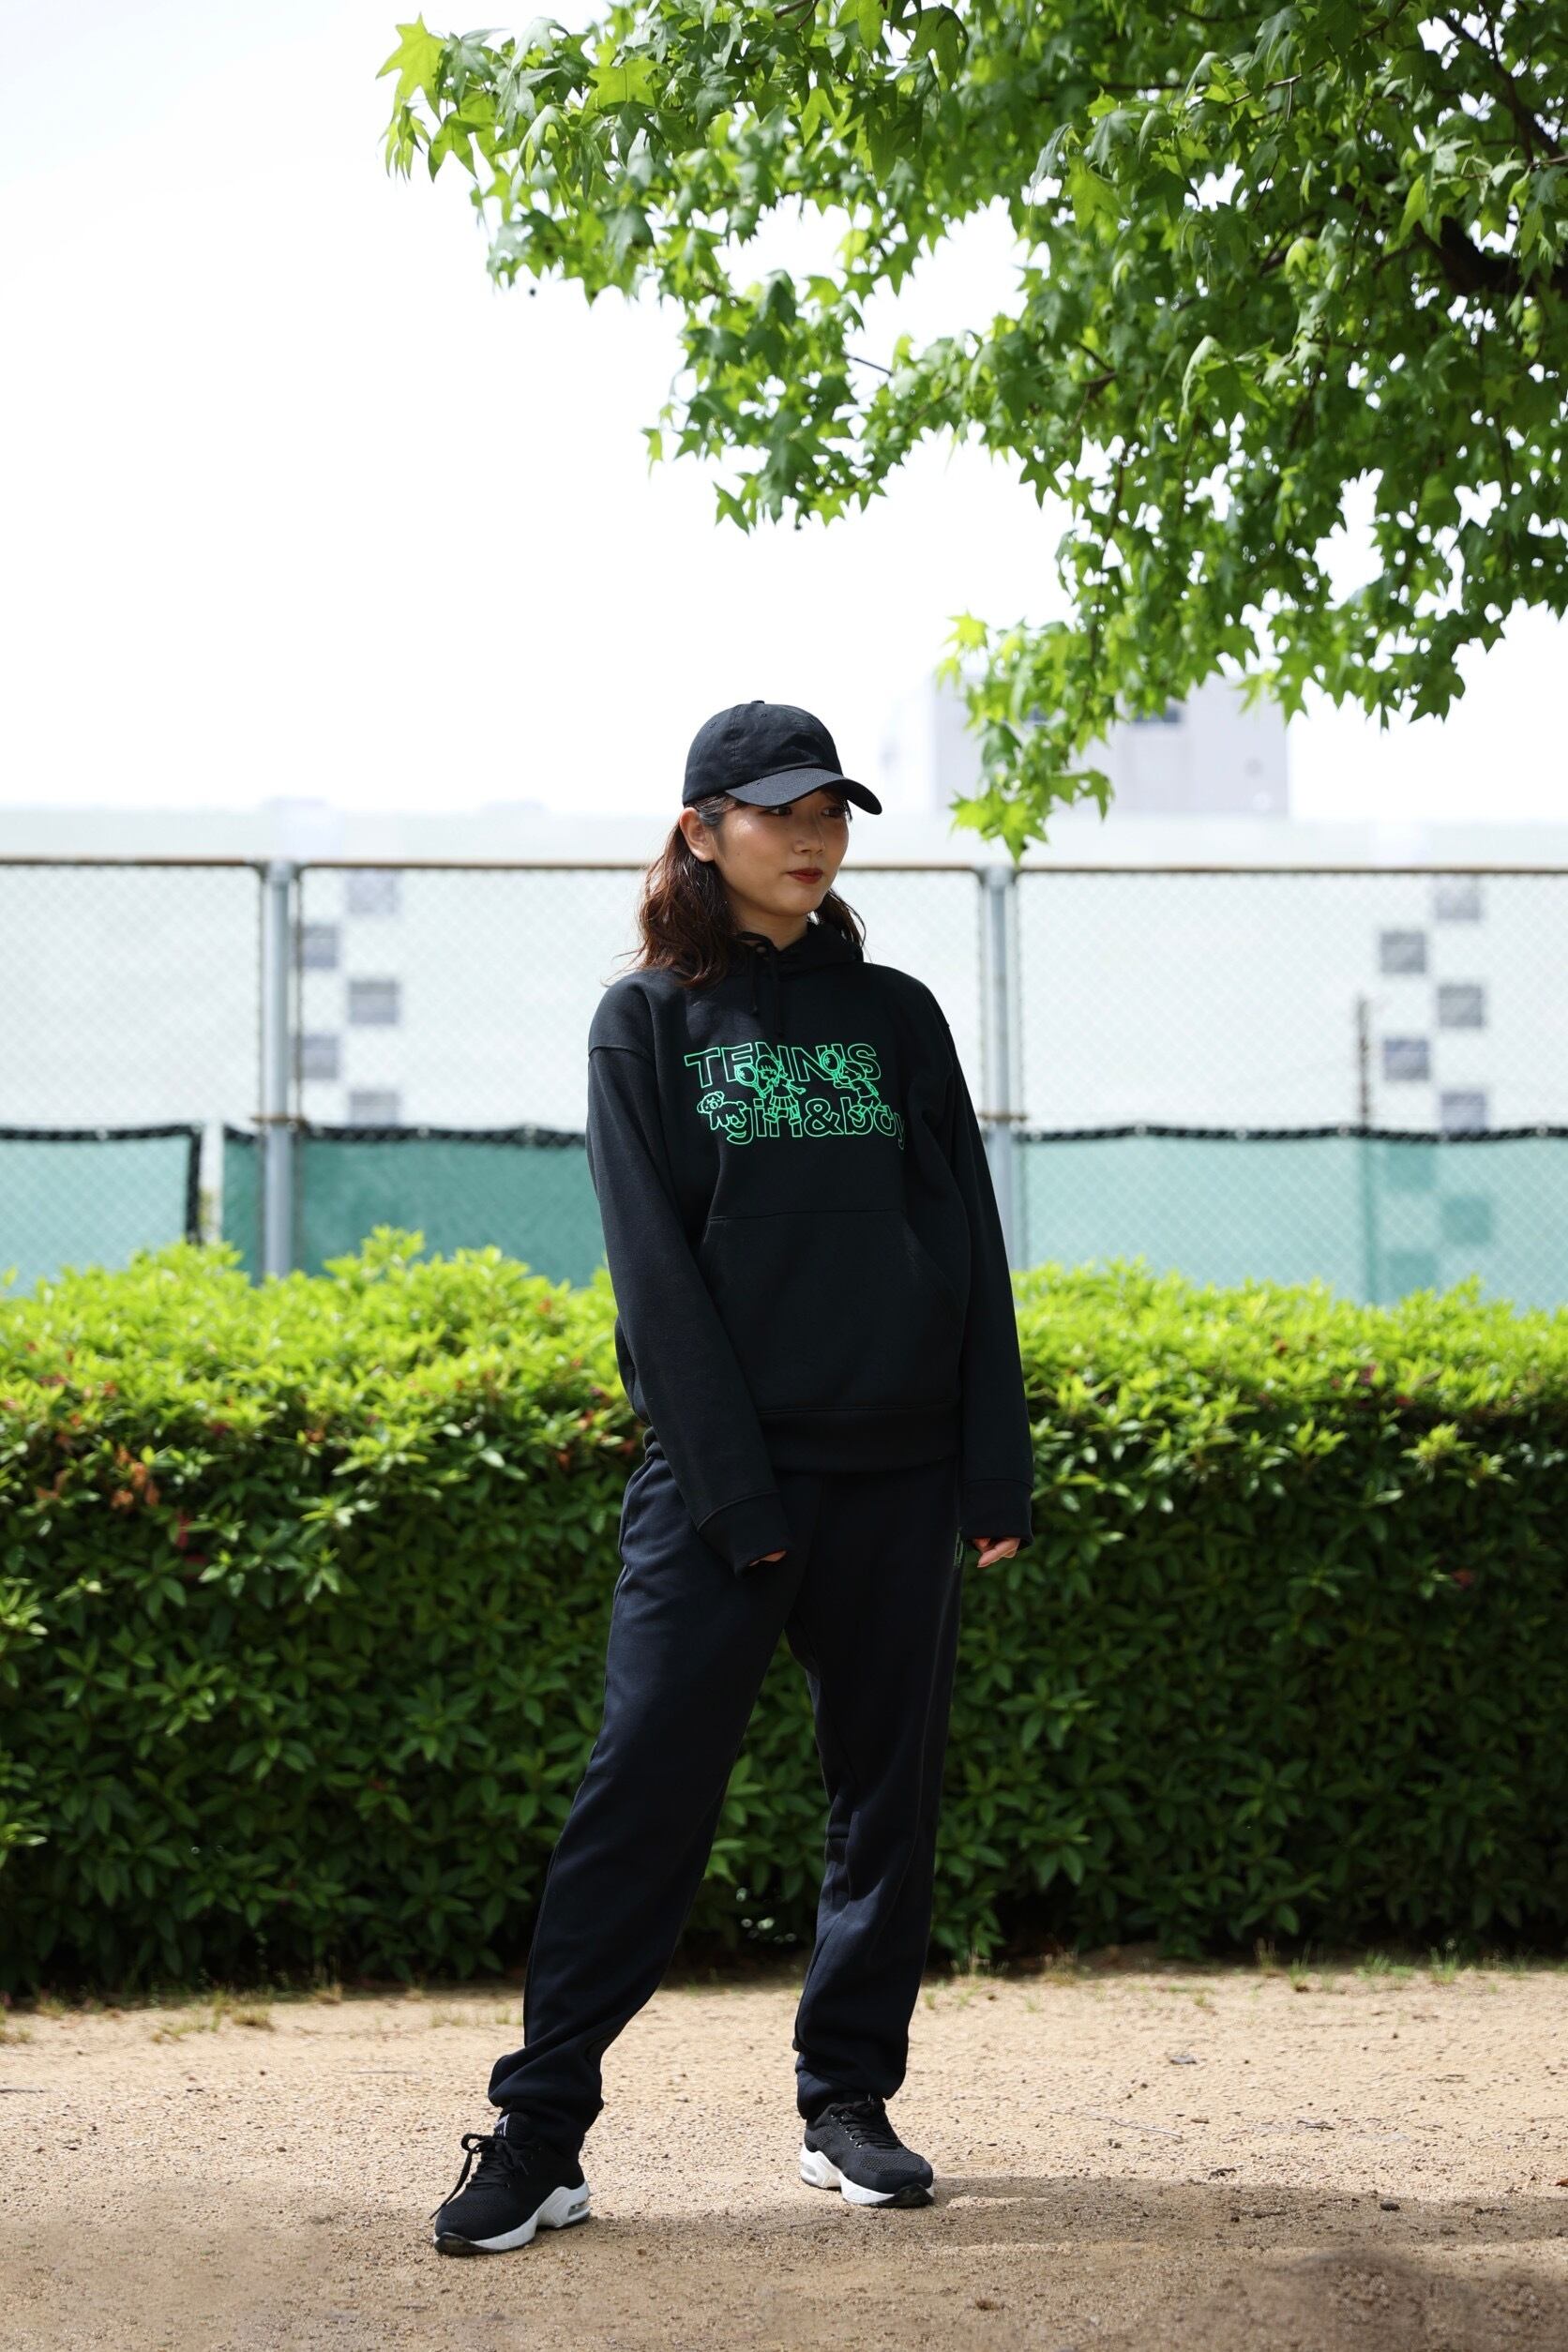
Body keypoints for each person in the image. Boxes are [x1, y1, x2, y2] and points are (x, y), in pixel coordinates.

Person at [430, 699, 1034, 2255]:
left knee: (884, 1805)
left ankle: (848, 2103)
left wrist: (992, 1473)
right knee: (636, 1800)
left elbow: (967, 1238)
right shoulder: (642, 1022)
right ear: (702, 831)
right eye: (781, 812)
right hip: (723, 1496)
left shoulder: (896, 1015)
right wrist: (736, 1500)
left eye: (832, 813)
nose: (813, 838)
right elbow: (655, 1282)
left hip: (900, 1475)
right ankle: (540, 2134)